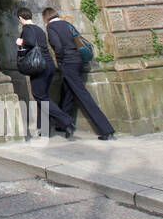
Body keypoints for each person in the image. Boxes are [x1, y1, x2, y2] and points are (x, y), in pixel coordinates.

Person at [43, 7, 116, 140]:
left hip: (67, 62)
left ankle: (106, 129)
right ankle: (62, 124)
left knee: (82, 94)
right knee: (67, 91)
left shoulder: (51, 27)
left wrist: (60, 62)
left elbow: (57, 46)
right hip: (78, 60)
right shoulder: (67, 24)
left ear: (46, 18)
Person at [15, 7, 74, 139]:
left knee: (39, 95)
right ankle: (44, 129)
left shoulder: (27, 29)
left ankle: (66, 121)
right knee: (43, 96)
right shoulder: (39, 29)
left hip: (38, 66)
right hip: (49, 65)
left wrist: (21, 42)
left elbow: (29, 42)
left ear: (20, 18)